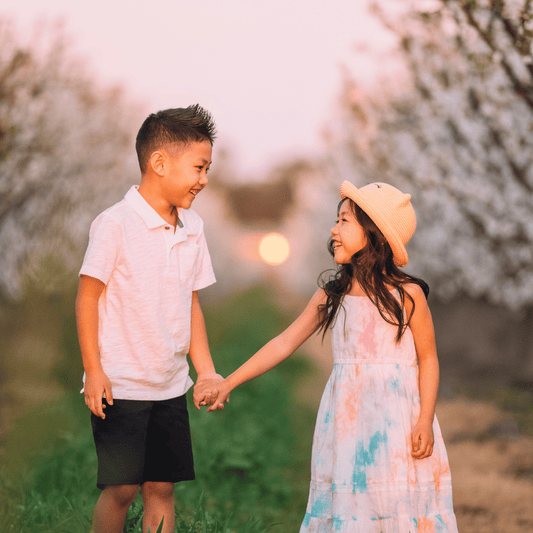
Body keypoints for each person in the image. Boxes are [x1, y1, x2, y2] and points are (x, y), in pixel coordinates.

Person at [196, 181, 458, 531]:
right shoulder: (331, 295)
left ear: (375, 232)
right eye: (336, 220)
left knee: (397, 505)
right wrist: (229, 382)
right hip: (348, 426)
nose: (334, 229)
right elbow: (283, 342)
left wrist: (424, 418)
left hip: (398, 422)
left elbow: (428, 358)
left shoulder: (408, 295)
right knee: (353, 509)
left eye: (345, 221)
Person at [76, 105, 224, 533]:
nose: (204, 179)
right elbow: (87, 299)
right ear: (159, 163)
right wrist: (93, 370)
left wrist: (207, 370)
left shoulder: (193, 228)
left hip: (170, 383)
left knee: (161, 487)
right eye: (199, 167)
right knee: (121, 489)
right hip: (120, 384)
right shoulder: (115, 224)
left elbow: (190, 304)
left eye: (207, 168)